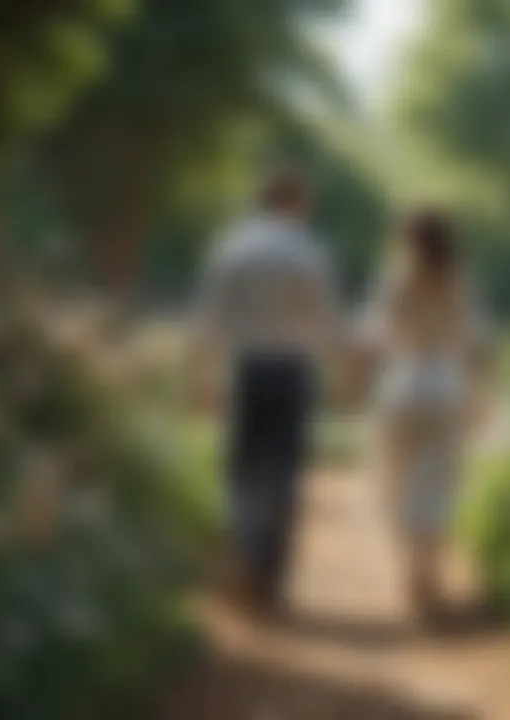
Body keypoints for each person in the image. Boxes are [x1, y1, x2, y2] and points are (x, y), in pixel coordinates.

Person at [191, 167, 340, 616]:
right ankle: (269, 574)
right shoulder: (309, 251)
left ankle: (240, 553)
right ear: (297, 201)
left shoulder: (233, 248)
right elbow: (326, 319)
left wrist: (199, 375)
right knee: (284, 472)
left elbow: (210, 317)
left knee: (242, 466)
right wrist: (343, 370)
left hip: (247, 366)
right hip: (292, 370)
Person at [363, 209, 491, 622]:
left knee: (397, 480)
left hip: (402, 384)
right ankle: (428, 572)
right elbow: (473, 343)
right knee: (436, 482)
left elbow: (379, 335)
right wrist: (479, 399)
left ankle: (409, 570)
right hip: (445, 384)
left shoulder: (396, 280)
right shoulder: (460, 283)